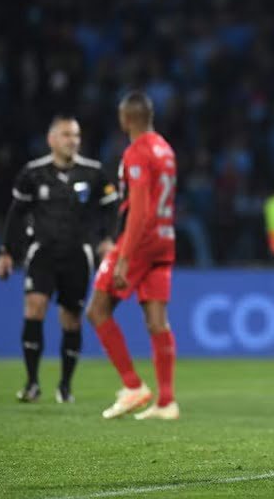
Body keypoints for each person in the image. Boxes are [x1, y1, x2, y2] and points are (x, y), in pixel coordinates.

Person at [0, 116, 118, 403]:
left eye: (75, 135)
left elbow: (111, 209)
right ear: (52, 139)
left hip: (78, 255)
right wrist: (7, 252)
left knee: (71, 319)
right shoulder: (33, 174)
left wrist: (107, 239)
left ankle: (65, 385)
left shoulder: (94, 173)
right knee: (34, 308)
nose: (72, 140)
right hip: (43, 253)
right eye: (66, 135)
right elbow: (16, 215)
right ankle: (32, 383)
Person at [85, 92, 179, 420]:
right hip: (165, 240)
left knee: (97, 310)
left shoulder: (137, 152)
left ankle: (132, 386)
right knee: (157, 321)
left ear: (125, 119)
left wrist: (123, 256)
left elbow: (139, 208)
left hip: (140, 242)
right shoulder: (164, 148)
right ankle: (166, 401)